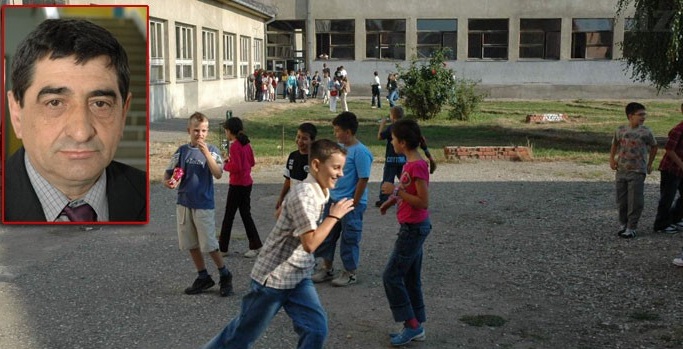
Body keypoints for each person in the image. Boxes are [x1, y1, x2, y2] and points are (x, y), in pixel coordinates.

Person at [201, 139, 355, 349]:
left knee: (316, 330)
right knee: (238, 338)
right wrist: (333, 217)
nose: (341, 174)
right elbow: (310, 244)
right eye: (336, 167)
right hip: (272, 279)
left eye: (342, 168)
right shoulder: (305, 195)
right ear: (317, 165)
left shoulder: (319, 189)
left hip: (297, 275)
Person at [4, 18, 146, 223]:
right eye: (54, 103)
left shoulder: (143, 192)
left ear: (123, 113)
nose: (81, 132)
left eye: (100, 104)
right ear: (17, 113)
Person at [165, 112, 233, 297]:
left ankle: (224, 274)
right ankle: (203, 276)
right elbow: (170, 173)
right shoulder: (182, 151)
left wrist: (205, 153)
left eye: (203, 131)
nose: (200, 134)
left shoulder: (212, 151)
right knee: (191, 243)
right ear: (189, 130)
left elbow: (218, 173)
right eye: (196, 130)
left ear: (207, 132)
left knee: (209, 243)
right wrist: (170, 182)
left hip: (203, 204)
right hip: (184, 203)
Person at [379, 118, 432, 347]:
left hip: (414, 229)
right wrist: (390, 201)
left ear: (401, 142)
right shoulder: (409, 164)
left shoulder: (417, 166)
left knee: (391, 276)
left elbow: (422, 202)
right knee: (410, 277)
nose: (390, 141)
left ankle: (412, 326)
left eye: (392, 138)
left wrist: (395, 193)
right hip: (412, 228)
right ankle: (416, 324)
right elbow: (404, 188)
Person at [312, 112, 373, 286]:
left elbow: (363, 178)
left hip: (350, 203)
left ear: (348, 132)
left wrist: (355, 200)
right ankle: (327, 267)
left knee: (349, 237)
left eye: (337, 131)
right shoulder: (338, 150)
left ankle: (350, 272)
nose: (335, 134)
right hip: (333, 200)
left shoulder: (361, 152)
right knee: (327, 235)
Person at [609, 102, 658, 238]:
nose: (643, 117)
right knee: (622, 199)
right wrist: (612, 159)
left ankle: (632, 226)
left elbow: (654, 146)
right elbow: (615, 144)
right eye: (640, 115)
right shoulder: (620, 130)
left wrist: (649, 163)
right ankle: (623, 224)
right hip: (622, 169)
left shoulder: (646, 132)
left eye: (644, 115)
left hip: (637, 170)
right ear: (630, 116)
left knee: (635, 200)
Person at [219, 117, 262, 258]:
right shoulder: (246, 144)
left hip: (237, 184)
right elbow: (252, 162)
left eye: (226, 130)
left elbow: (236, 167)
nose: (225, 133)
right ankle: (256, 245)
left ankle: (223, 248)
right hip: (247, 183)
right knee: (245, 215)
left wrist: (225, 165)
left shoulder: (235, 146)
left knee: (229, 216)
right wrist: (233, 161)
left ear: (230, 131)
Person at [275, 122, 318, 215]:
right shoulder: (292, 156)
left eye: (304, 138)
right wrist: (281, 196)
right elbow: (288, 179)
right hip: (293, 201)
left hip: (308, 204)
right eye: (298, 136)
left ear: (312, 140)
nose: (300, 141)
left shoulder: (315, 159)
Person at [654, 102, 683, 234]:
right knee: (667, 196)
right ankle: (661, 224)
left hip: (680, 170)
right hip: (671, 169)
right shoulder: (678, 130)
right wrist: (681, 164)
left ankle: (676, 218)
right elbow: (669, 149)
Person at [376, 107, 407, 207]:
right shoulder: (405, 128)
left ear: (392, 116)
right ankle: (409, 194)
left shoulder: (391, 127)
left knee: (388, 179)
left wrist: (382, 125)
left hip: (391, 158)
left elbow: (380, 137)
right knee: (403, 178)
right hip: (402, 158)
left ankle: (384, 198)